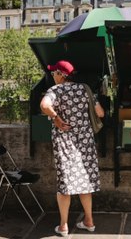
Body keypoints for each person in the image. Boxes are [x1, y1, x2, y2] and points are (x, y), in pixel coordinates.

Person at [40, 60, 104, 237]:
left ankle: (63, 226)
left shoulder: (55, 91)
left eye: (54, 73)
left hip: (65, 143)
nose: (53, 76)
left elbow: (44, 106)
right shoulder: (86, 89)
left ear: (61, 74)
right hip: (85, 143)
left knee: (65, 184)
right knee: (85, 182)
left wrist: (56, 117)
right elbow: (100, 113)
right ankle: (89, 221)